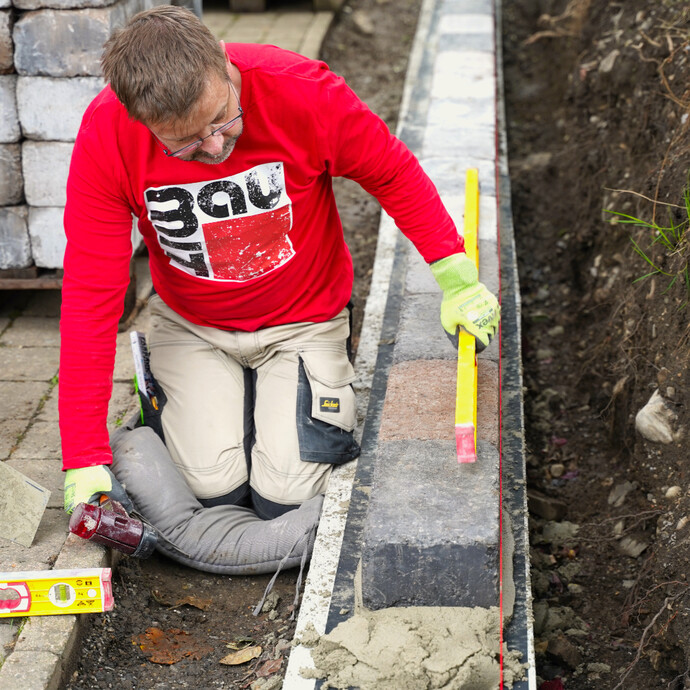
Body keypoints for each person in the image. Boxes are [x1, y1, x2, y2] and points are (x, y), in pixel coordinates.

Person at [61, 5, 499, 522]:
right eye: (187, 145)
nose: (217, 147)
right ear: (141, 121)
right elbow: (92, 296)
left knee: (284, 499)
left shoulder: (302, 90)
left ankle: (268, 400)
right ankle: (204, 395)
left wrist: (456, 278)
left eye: (222, 119)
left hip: (304, 321)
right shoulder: (107, 135)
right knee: (212, 492)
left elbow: (393, 173)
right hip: (194, 326)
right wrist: (83, 456)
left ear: (224, 62)